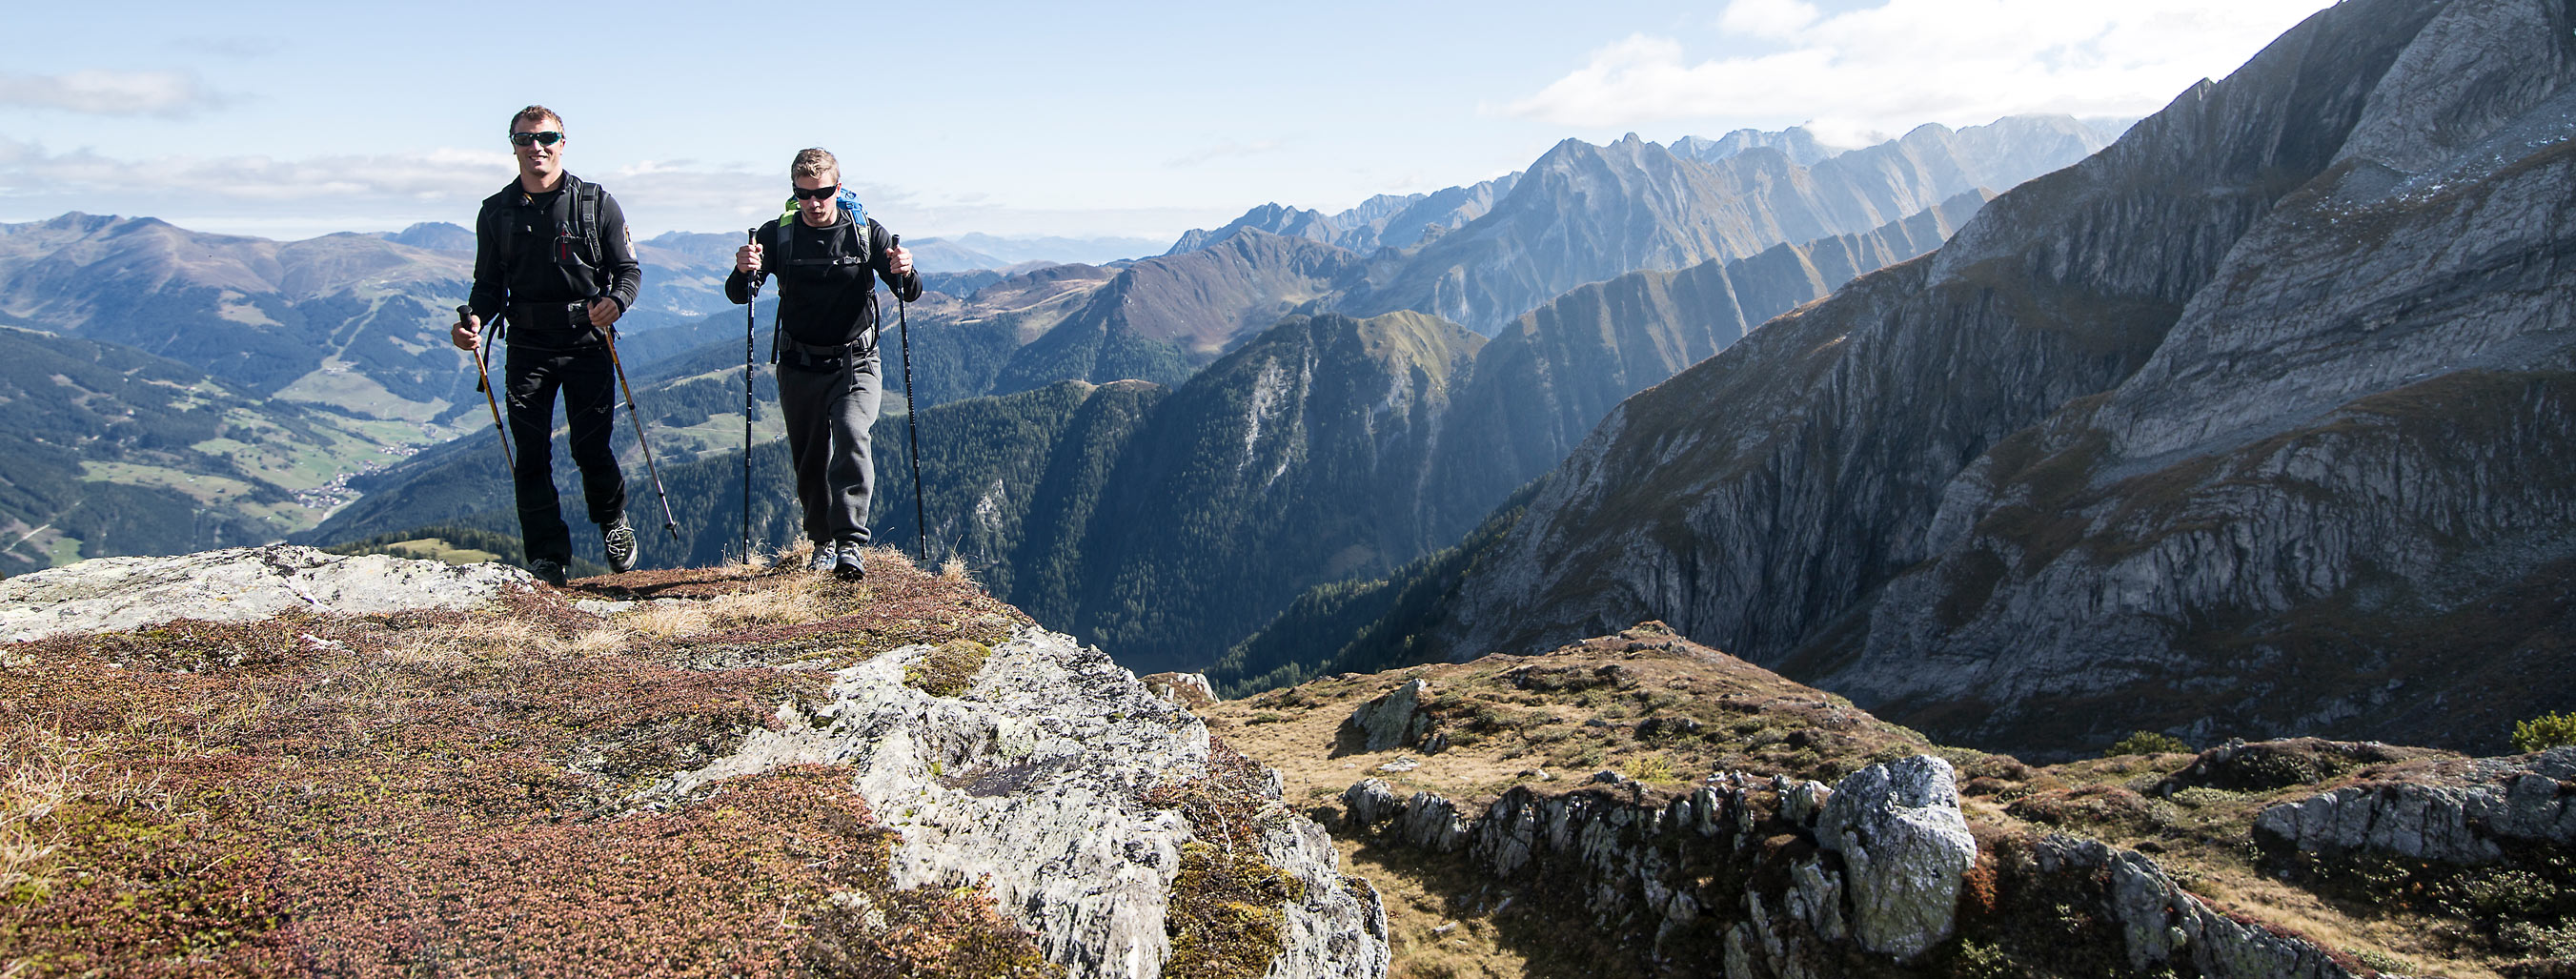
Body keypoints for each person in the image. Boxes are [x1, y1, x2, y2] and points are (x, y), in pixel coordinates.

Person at [451, 105, 644, 586]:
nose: (536, 147)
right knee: (530, 452)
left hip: (588, 339)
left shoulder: (596, 203)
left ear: (563, 141)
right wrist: (473, 320)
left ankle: (612, 519)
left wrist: (616, 303)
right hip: (529, 344)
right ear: (512, 145)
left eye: (546, 138)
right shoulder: (496, 212)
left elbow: (628, 270)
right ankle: (547, 556)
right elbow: (488, 286)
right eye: (525, 139)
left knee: (590, 447)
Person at [727, 148, 919, 581]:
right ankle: (822, 543)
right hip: (799, 364)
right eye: (804, 194)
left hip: (858, 360)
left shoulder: (865, 231)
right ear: (794, 192)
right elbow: (740, 293)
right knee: (810, 458)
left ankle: (850, 543)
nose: (814, 203)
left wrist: (905, 270)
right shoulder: (777, 235)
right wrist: (744, 271)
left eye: (823, 192)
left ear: (837, 187)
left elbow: (910, 291)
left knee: (852, 432)